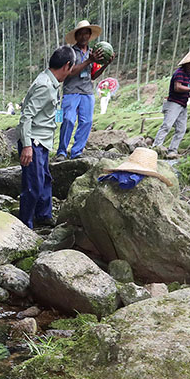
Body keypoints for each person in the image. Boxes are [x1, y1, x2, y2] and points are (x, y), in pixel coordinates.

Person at [17, 45, 76, 229]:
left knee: (45, 180)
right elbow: (26, 116)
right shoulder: (44, 85)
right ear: (67, 65)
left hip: (42, 141)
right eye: (73, 66)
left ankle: (43, 216)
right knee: (33, 186)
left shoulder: (52, 83)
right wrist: (26, 146)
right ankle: (24, 225)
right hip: (33, 141)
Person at [55, 20, 112, 160]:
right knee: (68, 120)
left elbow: (93, 75)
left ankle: (77, 152)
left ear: (90, 35)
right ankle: (61, 151)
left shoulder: (94, 52)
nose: (84, 36)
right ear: (76, 36)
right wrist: (89, 61)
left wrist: (106, 64)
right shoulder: (69, 53)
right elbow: (70, 72)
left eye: (86, 33)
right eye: (80, 34)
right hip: (71, 91)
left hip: (87, 92)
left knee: (86, 122)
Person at [153, 49, 190, 158]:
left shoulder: (189, 74)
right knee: (167, 126)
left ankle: (172, 151)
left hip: (182, 104)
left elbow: (185, 91)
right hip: (173, 103)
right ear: (189, 62)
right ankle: (156, 148)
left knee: (181, 129)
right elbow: (177, 87)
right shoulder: (180, 72)